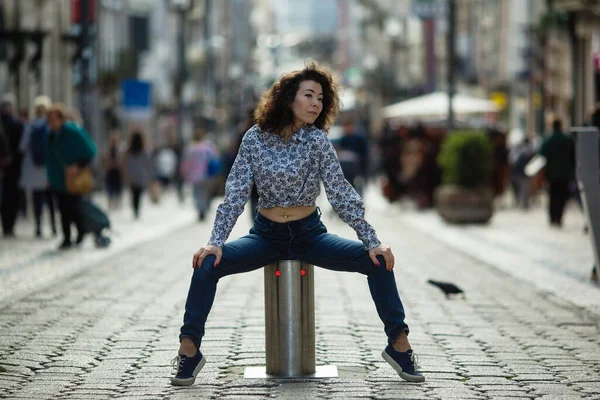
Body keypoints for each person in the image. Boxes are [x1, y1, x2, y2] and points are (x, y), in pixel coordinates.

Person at [171, 62, 424, 386]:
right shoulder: (255, 138)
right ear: (289, 98)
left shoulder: (317, 140)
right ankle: (188, 350)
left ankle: (399, 345)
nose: (316, 103)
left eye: (321, 97)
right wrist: (216, 241)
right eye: (309, 95)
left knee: (377, 262)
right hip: (266, 236)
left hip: (309, 235)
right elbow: (235, 191)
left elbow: (339, 191)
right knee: (205, 264)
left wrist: (371, 240)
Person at [45, 103, 96, 249]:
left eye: (54, 119)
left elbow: (90, 150)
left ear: (61, 119)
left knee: (74, 208)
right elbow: (48, 158)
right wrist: (48, 177)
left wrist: (77, 166)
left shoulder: (73, 132)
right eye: (50, 120)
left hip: (75, 179)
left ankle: (80, 232)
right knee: (62, 209)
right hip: (58, 179)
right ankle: (66, 237)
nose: (52, 123)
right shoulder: (50, 136)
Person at [19, 95, 57, 237]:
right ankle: (54, 226)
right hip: (49, 167)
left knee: (36, 199)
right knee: (51, 198)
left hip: (33, 168)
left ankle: (38, 227)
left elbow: (22, 146)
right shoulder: (50, 126)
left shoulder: (31, 126)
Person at [539, 117, 575, 227]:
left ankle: (553, 217)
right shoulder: (567, 139)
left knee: (553, 196)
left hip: (552, 174)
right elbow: (573, 157)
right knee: (562, 196)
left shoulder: (548, 139)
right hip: (565, 174)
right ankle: (559, 217)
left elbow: (541, 155)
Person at [180, 128, 220, 221]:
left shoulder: (190, 148)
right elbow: (215, 159)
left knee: (197, 193)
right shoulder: (208, 147)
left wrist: (184, 172)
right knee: (206, 192)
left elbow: (186, 162)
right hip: (207, 174)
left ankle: (200, 209)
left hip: (194, 175)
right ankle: (205, 207)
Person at [0, 96, 24, 237]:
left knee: (5, 197)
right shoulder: (18, 124)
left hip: (7, 166)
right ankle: (9, 226)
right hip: (14, 166)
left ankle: (5, 225)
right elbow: (22, 148)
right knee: (12, 197)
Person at [124, 130, 153, 219]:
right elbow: (148, 163)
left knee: (134, 193)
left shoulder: (129, 150)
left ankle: (135, 208)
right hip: (140, 175)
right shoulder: (143, 150)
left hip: (131, 175)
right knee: (138, 194)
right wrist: (151, 175)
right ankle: (137, 209)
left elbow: (126, 163)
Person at [509, 137, 534, 210]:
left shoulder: (518, 149)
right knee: (523, 188)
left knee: (521, 189)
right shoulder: (527, 150)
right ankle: (523, 203)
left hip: (518, 172)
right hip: (522, 172)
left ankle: (522, 203)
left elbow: (511, 160)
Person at [103, 130, 123, 209]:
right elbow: (104, 161)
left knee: (118, 188)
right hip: (110, 171)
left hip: (118, 172)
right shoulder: (107, 149)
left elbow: (123, 161)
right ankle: (111, 201)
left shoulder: (120, 149)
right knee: (110, 188)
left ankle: (117, 202)